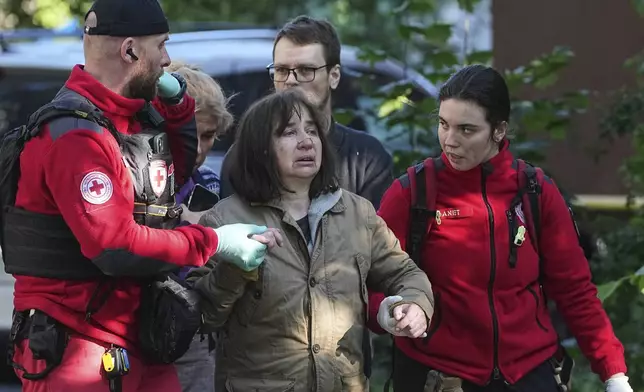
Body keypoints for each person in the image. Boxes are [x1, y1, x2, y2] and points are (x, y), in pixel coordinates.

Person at [2, 1, 276, 391]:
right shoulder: (76, 136)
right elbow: (115, 247)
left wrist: (179, 102)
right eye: (161, 47)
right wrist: (212, 242)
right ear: (130, 50)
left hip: (135, 339)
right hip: (79, 352)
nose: (167, 59)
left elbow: (171, 176)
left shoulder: (126, 118)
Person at [369, 65, 632, 392]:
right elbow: (365, 281)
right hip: (442, 376)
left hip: (529, 374)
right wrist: (389, 309)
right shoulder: (413, 193)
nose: (449, 141)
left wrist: (614, 374)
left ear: (499, 130)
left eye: (466, 129)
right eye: (443, 124)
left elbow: (575, 292)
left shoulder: (535, 191)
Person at [186, 89, 434, 392]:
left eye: (312, 131)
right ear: (260, 148)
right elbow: (203, 316)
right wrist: (235, 267)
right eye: (289, 133)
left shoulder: (358, 213)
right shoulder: (224, 220)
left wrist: (414, 304)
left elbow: (406, 273)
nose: (306, 141)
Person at [219, 15, 394, 209]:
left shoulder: (367, 159)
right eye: (282, 70)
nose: (291, 80)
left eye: (306, 70)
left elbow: (373, 237)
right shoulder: (244, 155)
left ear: (334, 76)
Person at [164, 60, 233, 392]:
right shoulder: (136, 178)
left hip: (195, 333)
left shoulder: (209, 184)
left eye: (208, 136)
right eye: (192, 133)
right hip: (139, 328)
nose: (200, 147)